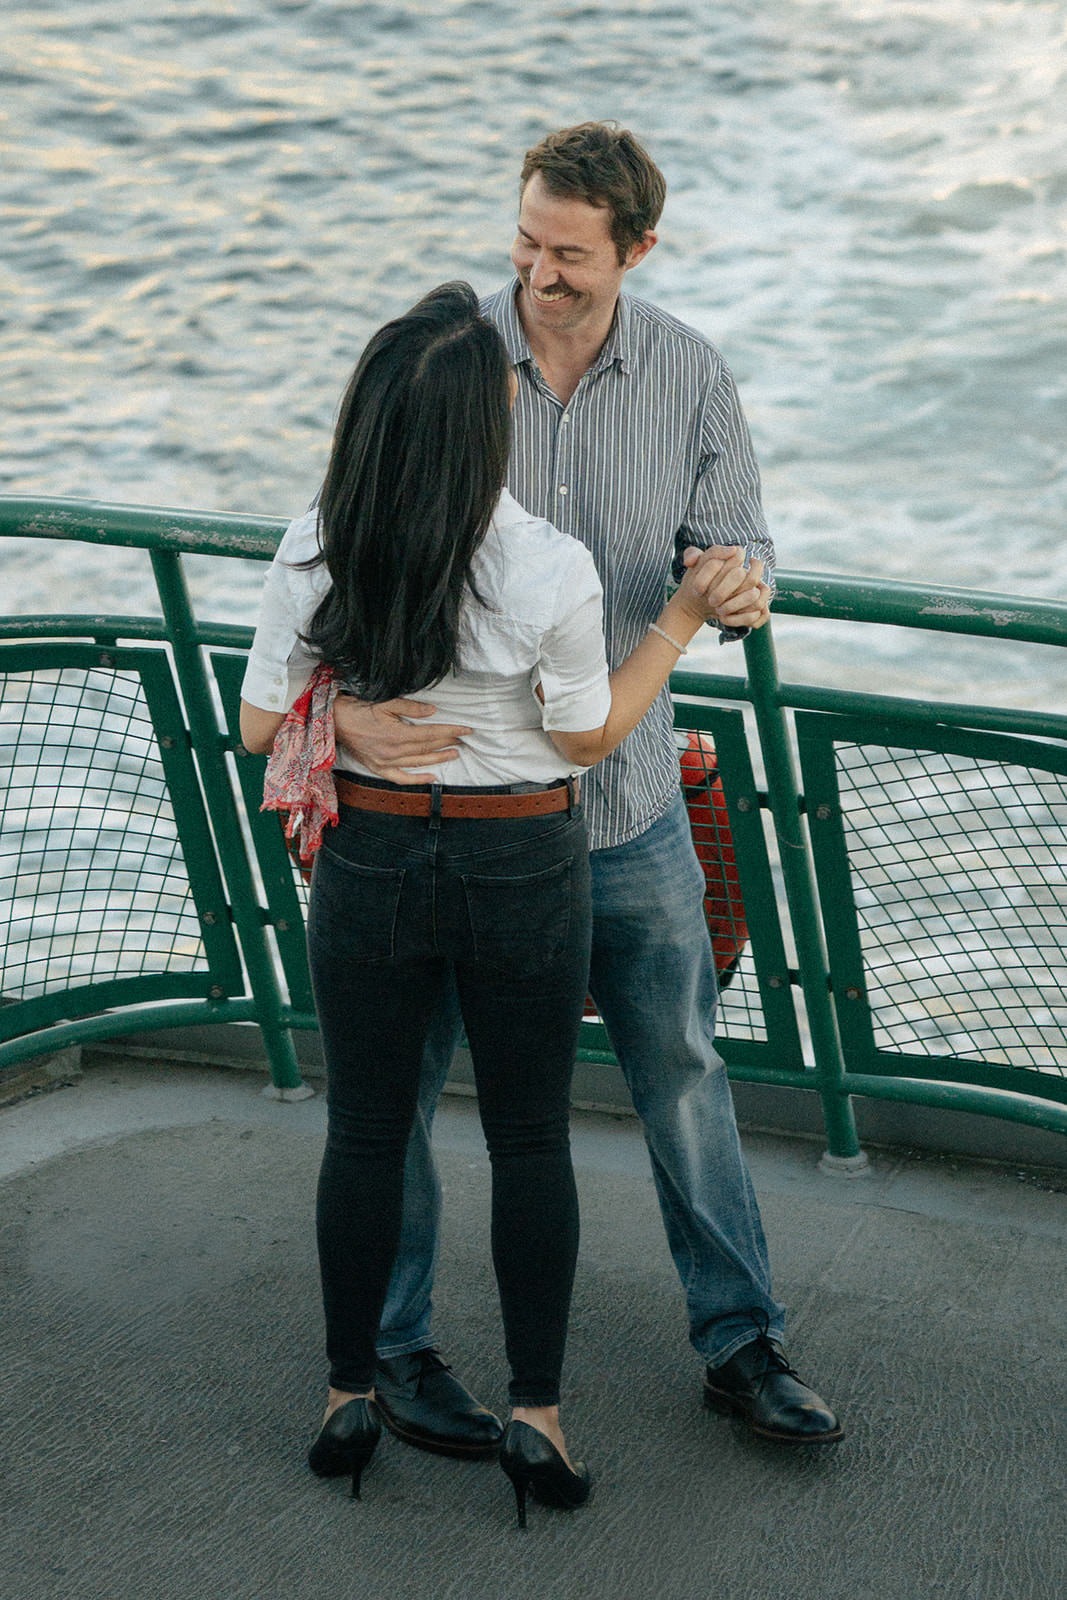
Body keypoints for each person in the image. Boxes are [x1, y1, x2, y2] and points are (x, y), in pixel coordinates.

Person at [332, 124, 843, 1453]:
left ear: (634, 249)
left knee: (677, 1066)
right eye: (523, 243)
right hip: (455, 825)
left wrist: (732, 592)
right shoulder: (444, 367)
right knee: (403, 1089)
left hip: (621, 815)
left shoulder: (687, 371)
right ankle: (388, 1351)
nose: (536, 274)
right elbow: (348, 557)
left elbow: (744, 557)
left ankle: (739, 1342)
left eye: (566, 254)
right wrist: (353, 705)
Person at [239, 281, 763, 1520]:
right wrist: (678, 620)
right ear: (481, 432)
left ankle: (346, 1398)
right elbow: (584, 739)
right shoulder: (542, 560)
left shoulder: (319, 539)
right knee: (529, 1139)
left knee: (366, 1131)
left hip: (366, 858)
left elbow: (261, 723)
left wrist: (342, 715)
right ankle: (537, 1417)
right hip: (519, 860)